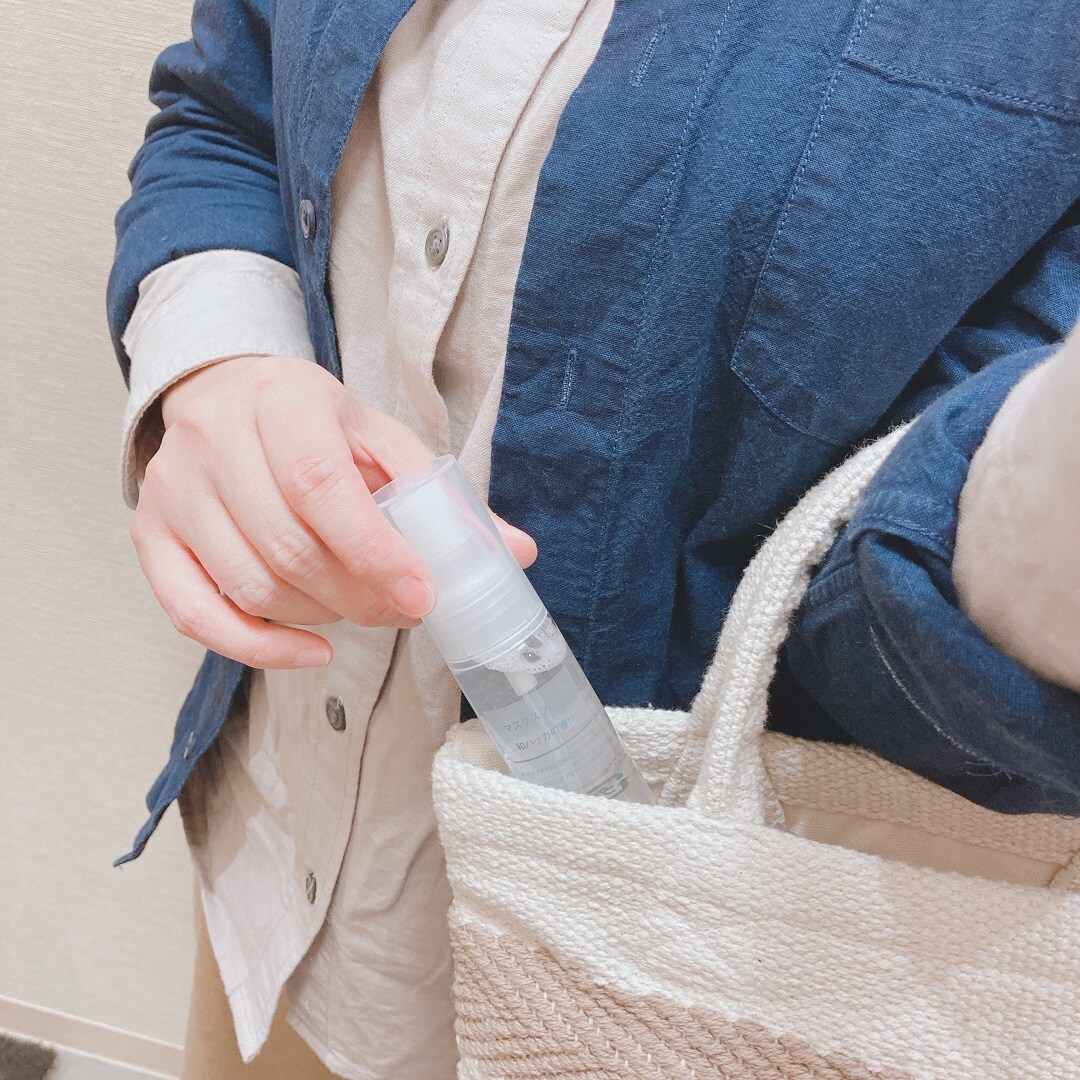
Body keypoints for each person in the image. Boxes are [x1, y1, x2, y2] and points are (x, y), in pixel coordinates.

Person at [107, 1, 1080, 1076]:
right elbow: (228, 111)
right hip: (283, 858)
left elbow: (925, 565)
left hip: (693, 986)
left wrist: (1024, 536)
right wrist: (222, 362)